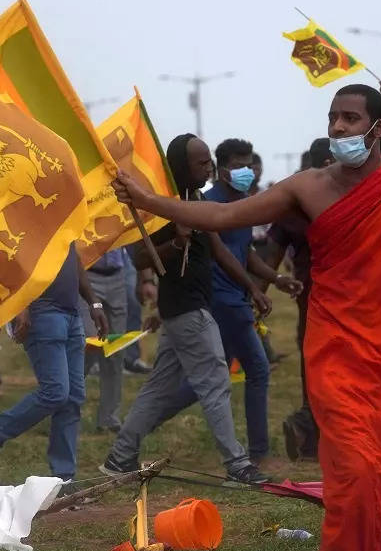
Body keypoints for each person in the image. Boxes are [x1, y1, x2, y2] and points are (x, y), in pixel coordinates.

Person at [111, 82, 381, 551]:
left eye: (351, 118)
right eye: (333, 117)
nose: (338, 128)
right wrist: (148, 200)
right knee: (355, 481)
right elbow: (224, 213)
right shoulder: (308, 187)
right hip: (336, 353)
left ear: (377, 128)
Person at [100, 133, 270, 486]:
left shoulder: (195, 201)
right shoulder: (164, 208)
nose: (208, 167)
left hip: (183, 311)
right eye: (201, 162)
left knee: (158, 389)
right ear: (181, 167)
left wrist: (252, 286)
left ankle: (119, 458)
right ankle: (238, 465)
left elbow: (220, 251)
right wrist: (177, 240)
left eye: (209, 161)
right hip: (187, 310)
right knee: (215, 384)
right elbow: (142, 256)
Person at [0, 242, 108, 485]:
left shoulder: (65, 214)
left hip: (71, 313)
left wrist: (93, 302)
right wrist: (19, 305)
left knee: (72, 397)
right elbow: (7, 258)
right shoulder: (26, 209)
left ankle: (64, 479)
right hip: (41, 311)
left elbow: (72, 258)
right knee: (55, 393)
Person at [203, 138, 301, 464]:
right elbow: (223, 256)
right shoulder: (210, 204)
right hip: (223, 299)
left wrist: (275, 279)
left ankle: (136, 431)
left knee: (207, 379)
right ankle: (258, 452)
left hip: (235, 298)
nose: (245, 171)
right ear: (221, 168)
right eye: (237, 164)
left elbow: (244, 253)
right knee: (257, 370)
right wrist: (255, 289)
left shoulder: (242, 201)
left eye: (248, 163)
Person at [265, 137, 331, 461]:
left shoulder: (294, 206)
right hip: (335, 299)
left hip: (313, 299)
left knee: (314, 367)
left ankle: (308, 428)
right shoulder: (346, 197)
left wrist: (257, 293)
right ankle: (311, 430)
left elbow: (270, 253)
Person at [82, 248, 130, 432]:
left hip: (118, 275)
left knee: (116, 350)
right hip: (87, 275)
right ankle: (67, 411)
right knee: (89, 345)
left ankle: (109, 418)